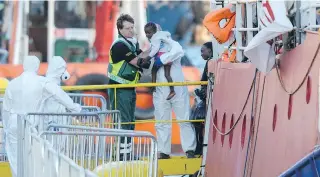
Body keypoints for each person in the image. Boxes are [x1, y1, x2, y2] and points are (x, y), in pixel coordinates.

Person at [2, 56, 81, 177]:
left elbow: (6, 109)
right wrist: (74, 108)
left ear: (24, 66)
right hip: (30, 124)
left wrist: (7, 127)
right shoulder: (42, 82)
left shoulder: (12, 84)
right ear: (37, 67)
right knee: (31, 158)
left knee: (15, 158)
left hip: (14, 123)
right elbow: (59, 94)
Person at [107, 14, 151, 160]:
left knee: (130, 122)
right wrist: (146, 58)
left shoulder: (131, 44)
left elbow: (142, 55)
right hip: (119, 89)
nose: (131, 31)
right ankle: (120, 156)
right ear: (120, 29)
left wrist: (155, 48)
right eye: (127, 28)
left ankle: (127, 153)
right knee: (123, 122)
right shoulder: (119, 45)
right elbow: (137, 61)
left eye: (132, 27)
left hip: (129, 88)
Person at [151, 33, 197, 159]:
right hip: (160, 91)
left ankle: (189, 150)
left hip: (177, 90)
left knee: (184, 120)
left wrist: (161, 59)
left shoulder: (174, 47)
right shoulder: (152, 49)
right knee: (161, 122)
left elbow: (178, 51)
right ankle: (164, 151)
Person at [143, 22, 175, 100]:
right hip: (168, 57)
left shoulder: (155, 38)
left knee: (154, 70)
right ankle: (172, 91)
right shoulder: (165, 37)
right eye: (146, 33)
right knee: (167, 75)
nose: (147, 35)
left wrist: (148, 58)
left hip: (161, 57)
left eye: (148, 33)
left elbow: (155, 49)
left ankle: (154, 87)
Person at [191, 42, 213, 155]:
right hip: (207, 98)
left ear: (210, 51)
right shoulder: (210, 62)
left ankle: (199, 147)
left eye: (202, 51)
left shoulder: (210, 62)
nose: (201, 54)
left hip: (208, 100)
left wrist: (202, 94)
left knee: (195, 118)